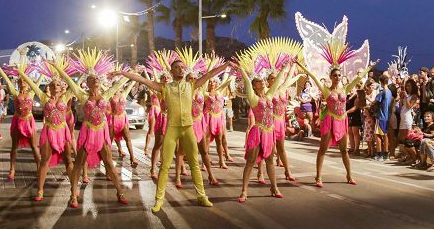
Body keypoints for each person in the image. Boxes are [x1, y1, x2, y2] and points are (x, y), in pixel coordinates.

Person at [114, 57, 226, 212]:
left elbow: (209, 75)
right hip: (172, 128)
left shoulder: (191, 85)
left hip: (188, 128)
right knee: (165, 166)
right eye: (177, 67)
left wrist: (226, 65)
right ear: (172, 71)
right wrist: (121, 73)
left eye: (182, 67)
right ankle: (159, 200)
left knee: (194, 163)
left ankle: (202, 196)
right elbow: (141, 79)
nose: (181, 69)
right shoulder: (164, 87)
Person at [53, 64, 129, 207]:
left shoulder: (106, 95)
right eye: (92, 79)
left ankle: (120, 192)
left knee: (109, 164)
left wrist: (129, 72)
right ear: (87, 84)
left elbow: (120, 83)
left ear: (100, 83)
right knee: (78, 165)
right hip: (88, 133)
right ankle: (73, 195)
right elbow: (69, 81)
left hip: (101, 132)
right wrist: (57, 67)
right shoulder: (82, 95)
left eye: (97, 79)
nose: (95, 80)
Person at [234, 59, 291, 202]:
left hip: (269, 132)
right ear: (254, 85)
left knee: (270, 160)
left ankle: (274, 187)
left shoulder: (269, 95)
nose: (263, 82)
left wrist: (283, 68)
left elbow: (277, 83)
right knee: (251, 162)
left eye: (262, 81)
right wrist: (241, 69)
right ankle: (244, 191)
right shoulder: (252, 97)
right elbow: (247, 82)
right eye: (259, 81)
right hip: (257, 131)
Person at [18, 68, 73, 202]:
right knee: (44, 161)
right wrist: (21, 72)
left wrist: (59, 69)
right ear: (49, 87)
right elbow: (32, 84)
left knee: (68, 160)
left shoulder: (65, 97)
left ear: (61, 88)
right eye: (52, 85)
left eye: (58, 85)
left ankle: (74, 189)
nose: (55, 86)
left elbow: (73, 84)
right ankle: (40, 190)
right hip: (49, 131)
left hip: (63, 131)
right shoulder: (44, 98)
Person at [0, 63, 41, 179]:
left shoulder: (32, 92)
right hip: (18, 121)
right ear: (18, 83)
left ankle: (39, 167)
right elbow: (6, 79)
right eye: (20, 81)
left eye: (24, 81)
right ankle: (12, 169)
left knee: (34, 146)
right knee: (14, 147)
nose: (22, 83)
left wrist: (43, 68)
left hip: (29, 121)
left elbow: (38, 80)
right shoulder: (15, 93)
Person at [373, 74, 393, 161]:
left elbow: (374, 102)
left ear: (380, 82)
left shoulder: (382, 93)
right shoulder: (390, 92)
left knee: (377, 135)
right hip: (387, 116)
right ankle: (386, 154)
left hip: (380, 116)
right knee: (385, 135)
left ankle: (379, 154)